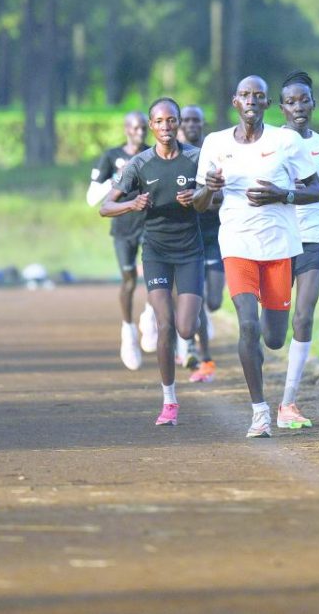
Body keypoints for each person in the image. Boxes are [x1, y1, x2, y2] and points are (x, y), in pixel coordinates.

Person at [193, 75, 319, 438]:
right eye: (245, 95)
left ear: (267, 104)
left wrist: (283, 195)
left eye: (259, 96)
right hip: (237, 246)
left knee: (273, 337)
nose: (252, 100)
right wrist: (208, 189)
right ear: (235, 101)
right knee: (247, 325)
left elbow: (316, 191)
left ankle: (265, 388)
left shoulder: (286, 141)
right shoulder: (215, 143)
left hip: (280, 248)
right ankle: (260, 412)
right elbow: (201, 203)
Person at [101, 97, 204, 426]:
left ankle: (190, 343)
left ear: (178, 123)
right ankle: (169, 401)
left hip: (190, 250)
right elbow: (105, 206)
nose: (164, 127)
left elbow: (216, 197)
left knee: (186, 328)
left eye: (170, 120)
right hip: (156, 251)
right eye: (158, 122)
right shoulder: (140, 164)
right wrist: (132, 204)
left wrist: (199, 197)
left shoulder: (196, 158)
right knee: (165, 326)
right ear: (151, 124)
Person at [277, 71, 319, 428]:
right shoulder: (271, 143)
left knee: (303, 316)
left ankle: (288, 402)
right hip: (276, 238)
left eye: (304, 100)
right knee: (272, 331)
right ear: (282, 107)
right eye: (291, 102)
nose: (298, 107)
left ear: (314, 104)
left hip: (313, 238)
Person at [86, 110, 150, 371]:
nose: (140, 132)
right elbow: (92, 199)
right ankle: (128, 332)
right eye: (135, 128)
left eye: (144, 128)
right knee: (129, 281)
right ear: (126, 129)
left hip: (148, 225)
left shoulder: (152, 154)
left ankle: (151, 316)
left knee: (156, 275)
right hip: (123, 229)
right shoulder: (111, 157)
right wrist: (119, 178)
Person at [179, 105, 224, 383]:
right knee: (195, 303)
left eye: (196, 119)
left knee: (214, 301)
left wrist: (203, 199)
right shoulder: (177, 156)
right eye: (186, 120)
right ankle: (200, 355)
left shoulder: (215, 154)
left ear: (203, 122)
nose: (191, 124)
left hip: (216, 236)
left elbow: (222, 195)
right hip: (187, 238)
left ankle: (194, 333)